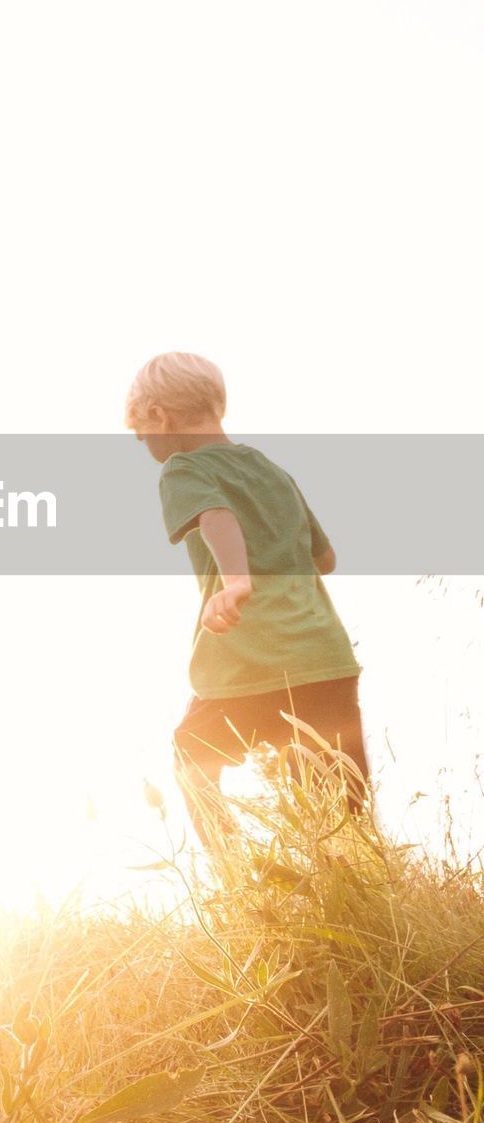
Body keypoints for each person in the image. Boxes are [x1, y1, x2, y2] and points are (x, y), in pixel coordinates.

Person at [125, 351, 370, 846]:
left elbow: (217, 516)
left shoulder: (182, 468)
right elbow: (324, 558)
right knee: (340, 810)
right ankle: (366, 906)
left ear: (158, 415)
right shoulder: (272, 471)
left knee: (193, 754)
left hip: (250, 660)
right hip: (324, 657)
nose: (144, 444)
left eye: (140, 434)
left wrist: (236, 581)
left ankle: (239, 877)